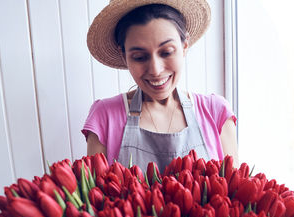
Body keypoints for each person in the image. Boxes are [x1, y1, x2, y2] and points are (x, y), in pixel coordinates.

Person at [82, 0, 238, 172]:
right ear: (124, 55)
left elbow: (236, 193)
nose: (156, 70)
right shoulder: (105, 117)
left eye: (166, 52)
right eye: (140, 57)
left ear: (184, 45)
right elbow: (95, 197)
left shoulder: (215, 112)